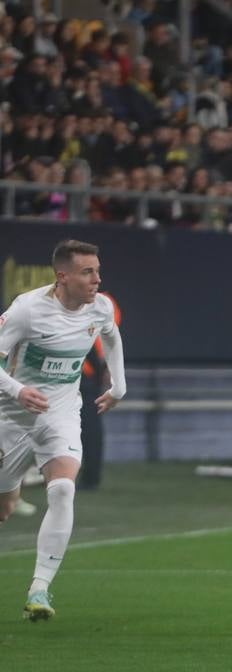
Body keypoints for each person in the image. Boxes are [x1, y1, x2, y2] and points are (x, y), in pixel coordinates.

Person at [0, 239, 126, 621]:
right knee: (4, 507)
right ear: (62, 276)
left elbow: (111, 336)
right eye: (87, 272)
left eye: (98, 271)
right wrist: (19, 390)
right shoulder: (27, 310)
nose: (96, 280)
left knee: (63, 488)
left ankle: (39, 588)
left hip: (61, 414)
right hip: (11, 415)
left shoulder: (100, 306)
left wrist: (118, 385)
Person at [77, 293, 123, 491]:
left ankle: (90, 478)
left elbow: (105, 341)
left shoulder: (104, 303)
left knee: (89, 426)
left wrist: (102, 369)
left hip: (85, 375)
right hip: (74, 374)